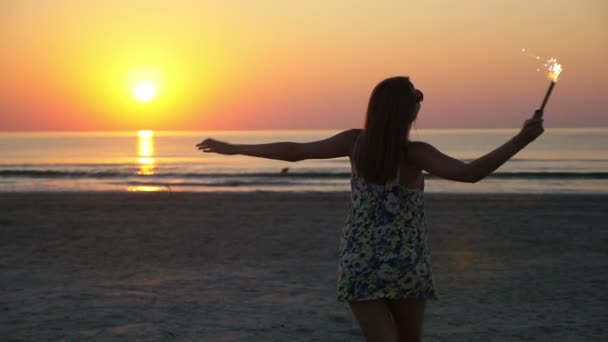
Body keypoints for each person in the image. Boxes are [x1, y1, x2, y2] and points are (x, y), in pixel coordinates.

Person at [196, 76, 544, 342]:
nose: (420, 101)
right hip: (406, 261)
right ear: (409, 110)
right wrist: (520, 140)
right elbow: (470, 174)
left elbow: (293, 150)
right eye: (417, 96)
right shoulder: (414, 154)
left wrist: (234, 148)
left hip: (361, 261)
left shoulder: (354, 143)